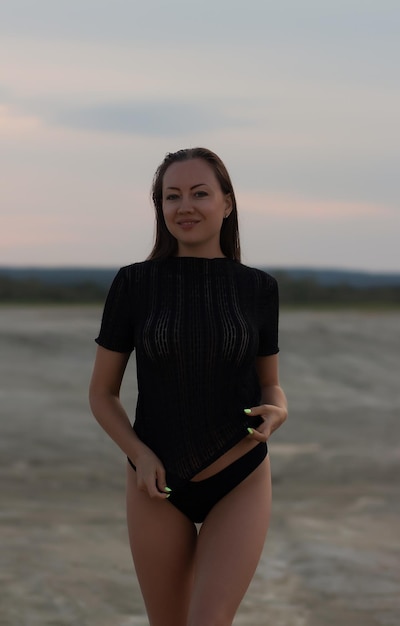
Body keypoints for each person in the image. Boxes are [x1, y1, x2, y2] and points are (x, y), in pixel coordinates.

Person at [89, 147, 288, 626]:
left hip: (238, 473)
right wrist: (140, 455)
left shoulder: (259, 288)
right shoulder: (133, 285)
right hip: (155, 481)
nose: (185, 206)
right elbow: (102, 394)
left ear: (228, 202)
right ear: (160, 208)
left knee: (210, 620)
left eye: (200, 193)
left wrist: (278, 410)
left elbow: (271, 386)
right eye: (171, 196)